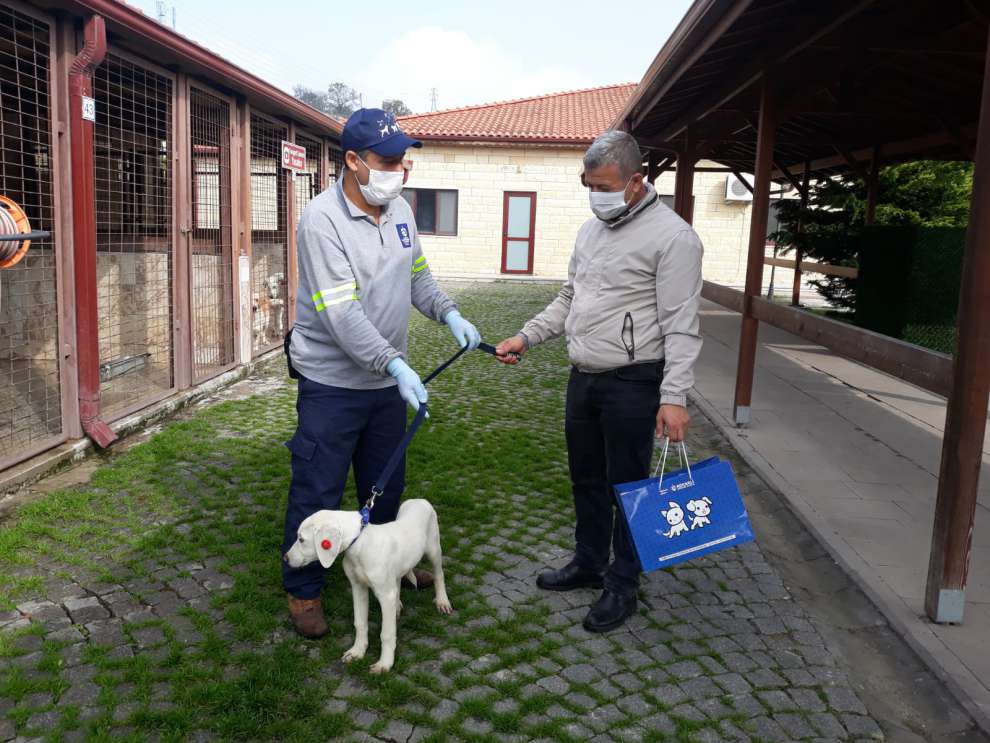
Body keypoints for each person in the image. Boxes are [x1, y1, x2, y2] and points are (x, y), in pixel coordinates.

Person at [282, 108, 481, 639]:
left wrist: (449, 312)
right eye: (388, 161)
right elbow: (341, 313)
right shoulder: (321, 221)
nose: (400, 171)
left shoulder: (398, 211)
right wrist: (393, 362)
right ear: (352, 160)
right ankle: (303, 592)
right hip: (332, 384)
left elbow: (418, 277)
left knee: (386, 484)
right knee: (318, 486)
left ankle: (388, 560)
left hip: (385, 384)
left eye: (404, 161)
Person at [495, 130, 703, 633]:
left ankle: (622, 584)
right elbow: (570, 298)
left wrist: (673, 397)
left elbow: (681, 324)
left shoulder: (674, 238)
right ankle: (589, 562)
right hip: (583, 378)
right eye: (589, 185)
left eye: (605, 186)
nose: (597, 195)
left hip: (634, 383)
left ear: (636, 181)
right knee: (585, 478)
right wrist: (526, 336)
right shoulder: (590, 232)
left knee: (627, 487)